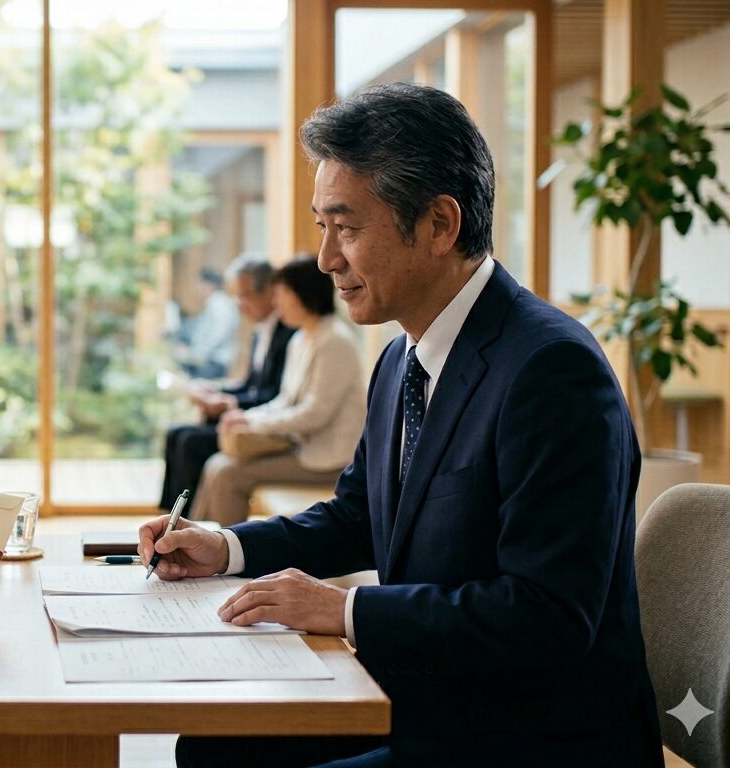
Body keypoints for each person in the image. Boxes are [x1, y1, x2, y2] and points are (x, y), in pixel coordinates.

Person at [140, 83, 660, 767]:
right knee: (209, 748)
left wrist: (342, 611)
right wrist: (224, 547)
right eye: (322, 227)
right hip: (427, 695)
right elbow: (357, 517)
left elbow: (546, 617)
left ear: (440, 224)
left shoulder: (551, 371)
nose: (326, 260)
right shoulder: (400, 357)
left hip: (523, 737)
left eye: (347, 228)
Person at [189, 257, 364, 526]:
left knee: (227, 473)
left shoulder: (335, 341)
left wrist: (251, 422)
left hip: (329, 459)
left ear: (302, 295)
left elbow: (315, 413)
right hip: (303, 448)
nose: (277, 302)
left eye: (282, 294)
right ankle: (195, 541)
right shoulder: (302, 338)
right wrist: (245, 417)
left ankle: (223, 555)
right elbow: (284, 400)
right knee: (217, 464)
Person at [159, 255, 297, 511]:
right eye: (237, 296)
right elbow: (250, 385)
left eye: (245, 295)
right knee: (176, 433)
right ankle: (170, 517)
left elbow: (277, 394)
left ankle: (186, 519)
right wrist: (216, 390)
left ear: (270, 291)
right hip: (252, 414)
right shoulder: (261, 331)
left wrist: (229, 403)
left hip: (269, 427)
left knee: (190, 441)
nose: (240, 304)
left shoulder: (290, 335)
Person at [176, 267, 240, 378]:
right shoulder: (214, 303)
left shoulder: (219, 303)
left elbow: (218, 334)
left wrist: (196, 354)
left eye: (198, 283)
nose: (196, 288)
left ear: (210, 285)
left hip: (214, 362)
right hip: (208, 360)